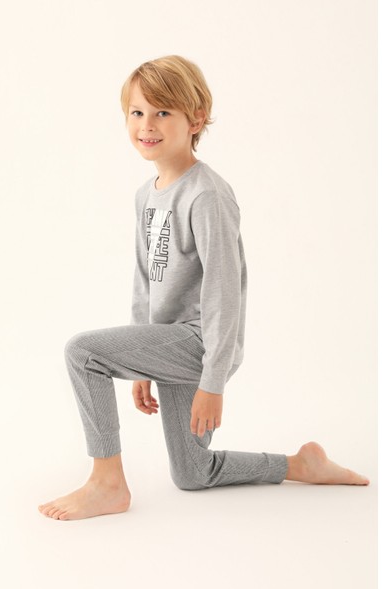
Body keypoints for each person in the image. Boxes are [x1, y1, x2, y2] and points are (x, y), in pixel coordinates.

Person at [38, 55, 370, 521]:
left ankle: (107, 483)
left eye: (162, 112)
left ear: (195, 120)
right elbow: (144, 278)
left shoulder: (207, 195)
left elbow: (223, 292)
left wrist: (213, 382)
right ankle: (300, 464)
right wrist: (139, 366)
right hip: (166, 340)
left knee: (83, 352)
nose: (146, 125)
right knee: (194, 472)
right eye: (137, 112)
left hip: (200, 343)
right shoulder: (146, 194)